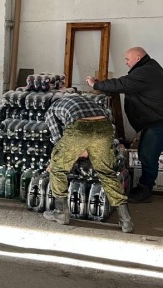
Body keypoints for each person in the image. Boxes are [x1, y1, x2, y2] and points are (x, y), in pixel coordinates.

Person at [43, 94, 134, 233]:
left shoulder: (52, 109)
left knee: (58, 169)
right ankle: (126, 221)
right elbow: (106, 123)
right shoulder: (86, 101)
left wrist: (58, 160)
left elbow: (57, 138)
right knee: (107, 173)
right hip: (104, 127)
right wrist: (89, 148)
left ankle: (61, 213)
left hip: (80, 129)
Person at [86, 47, 163, 203]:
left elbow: (123, 84)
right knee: (146, 154)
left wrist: (96, 85)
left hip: (157, 123)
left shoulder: (145, 71)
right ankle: (144, 187)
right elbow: (126, 84)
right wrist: (104, 84)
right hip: (153, 121)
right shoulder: (148, 69)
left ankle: (145, 190)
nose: (126, 63)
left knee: (148, 156)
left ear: (138, 58)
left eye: (127, 59)